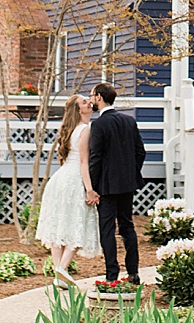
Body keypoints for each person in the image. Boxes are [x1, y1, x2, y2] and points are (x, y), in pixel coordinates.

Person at [34, 95, 100, 287]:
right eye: (85, 103)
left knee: (60, 226)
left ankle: (58, 275)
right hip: (74, 181)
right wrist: (89, 189)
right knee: (77, 225)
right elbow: (83, 162)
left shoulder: (70, 130)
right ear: (79, 110)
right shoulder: (85, 130)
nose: (89, 103)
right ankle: (62, 268)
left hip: (60, 179)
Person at [86, 82, 147, 287]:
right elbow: (141, 152)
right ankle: (134, 272)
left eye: (93, 96)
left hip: (106, 185)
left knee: (107, 228)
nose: (92, 99)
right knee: (127, 225)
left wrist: (92, 186)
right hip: (127, 183)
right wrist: (131, 172)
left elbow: (96, 157)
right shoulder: (129, 121)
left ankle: (112, 273)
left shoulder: (99, 124)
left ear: (100, 97)